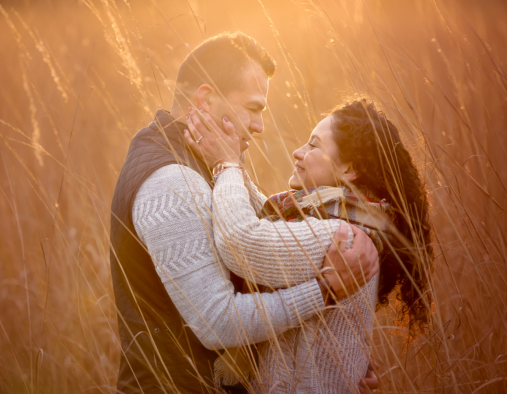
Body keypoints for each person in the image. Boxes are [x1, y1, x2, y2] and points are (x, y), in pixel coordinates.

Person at [109, 32, 380, 393]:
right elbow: (218, 321)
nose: (259, 126)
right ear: (204, 100)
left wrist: (336, 356)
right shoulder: (169, 181)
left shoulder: (207, 160)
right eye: (253, 108)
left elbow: (264, 232)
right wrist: (326, 290)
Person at [183, 98, 433, 392]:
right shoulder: (340, 222)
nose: (297, 152)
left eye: (314, 145)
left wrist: (226, 164)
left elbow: (241, 243)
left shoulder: (342, 236)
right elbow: (261, 220)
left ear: (349, 169)